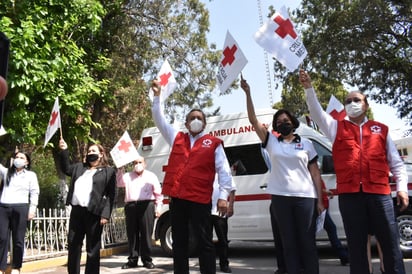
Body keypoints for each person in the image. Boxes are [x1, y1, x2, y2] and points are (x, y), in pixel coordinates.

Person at [299, 69, 409, 274]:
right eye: (348, 101)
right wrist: (309, 89)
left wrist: (401, 188)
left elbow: (396, 163)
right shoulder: (336, 128)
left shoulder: (381, 129)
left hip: (380, 195)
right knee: (357, 246)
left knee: (390, 243)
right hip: (350, 197)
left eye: (356, 99)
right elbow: (316, 112)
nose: (352, 103)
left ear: (366, 104)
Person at [241, 75, 324, 274]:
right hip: (281, 199)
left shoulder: (307, 144)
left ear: (292, 122)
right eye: (279, 122)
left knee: (307, 243)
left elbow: (315, 174)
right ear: (275, 126)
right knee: (289, 245)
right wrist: (248, 92)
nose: (282, 123)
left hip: (305, 199)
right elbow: (253, 120)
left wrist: (320, 201)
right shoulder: (271, 141)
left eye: (286, 120)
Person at [151, 80, 233, 274]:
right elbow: (159, 119)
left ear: (204, 123)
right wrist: (157, 97)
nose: (196, 120)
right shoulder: (177, 137)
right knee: (179, 243)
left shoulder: (213, 143)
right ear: (187, 123)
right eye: (192, 118)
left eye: (199, 118)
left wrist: (223, 197)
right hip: (178, 200)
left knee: (204, 242)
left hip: (200, 200)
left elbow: (224, 171)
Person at [58, 138, 116, 274]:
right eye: (89, 151)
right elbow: (66, 168)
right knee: (73, 245)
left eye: (94, 150)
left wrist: (105, 214)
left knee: (93, 248)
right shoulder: (79, 167)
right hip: (77, 212)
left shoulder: (108, 171)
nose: (91, 152)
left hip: (94, 213)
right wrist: (64, 150)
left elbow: (111, 195)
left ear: (101, 154)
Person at [116, 156, 163, 269]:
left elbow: (158, 194)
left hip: (147, 205)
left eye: (140, 162)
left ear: (145, 164)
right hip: (131, 206)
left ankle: (147, 260)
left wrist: (158, 208)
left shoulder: (151, 176)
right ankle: (132, 259)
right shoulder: (127, 176)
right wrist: (120, 169)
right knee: (132, 234)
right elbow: (119, 183)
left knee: (146, 234)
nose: (138, 164)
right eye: (135, 162)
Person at [0, 151, 39, 274]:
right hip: (4, 207)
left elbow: (34, 192)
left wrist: (32, 209)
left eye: (21, 157)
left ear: (26, 162)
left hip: (21, 208)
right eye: (16, 157)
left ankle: (16, 267)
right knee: (2, 238)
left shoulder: (30, 175)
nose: (18, 159)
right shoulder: (6, 173)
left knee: (18, 239)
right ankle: (1, 267)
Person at [211, 178, 236, 273]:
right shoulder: (204, 170)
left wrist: (231, 206)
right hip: (206, 211)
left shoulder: (223, 171)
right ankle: (209, 264)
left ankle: (224, 264)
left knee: (223, 240)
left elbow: (232, 190)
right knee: (206, 241)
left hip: (220, 211)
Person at [321, 181, 349, 266]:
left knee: (330, 228)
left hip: (320, 206)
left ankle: (344, 257)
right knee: (331, 228)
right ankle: (344, 256)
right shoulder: (311, 170)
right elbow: (314, 186)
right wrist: (326, 192)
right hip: (318, 206)